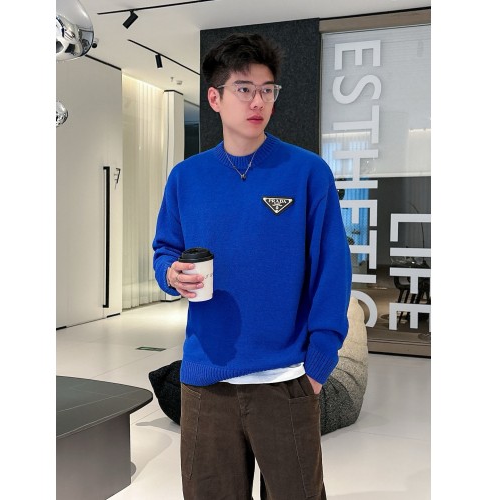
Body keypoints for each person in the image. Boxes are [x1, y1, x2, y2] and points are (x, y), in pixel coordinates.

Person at [152, 32, 352, 500]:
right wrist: (170, 273)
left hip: (286, 379)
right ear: (215, 98)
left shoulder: (307, 172)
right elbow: (165, 249)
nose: (258, 101)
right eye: (244, 89)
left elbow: (332, 269)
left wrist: (319, 363)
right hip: (206, 379)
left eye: (267, 89)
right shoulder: (186, 178)